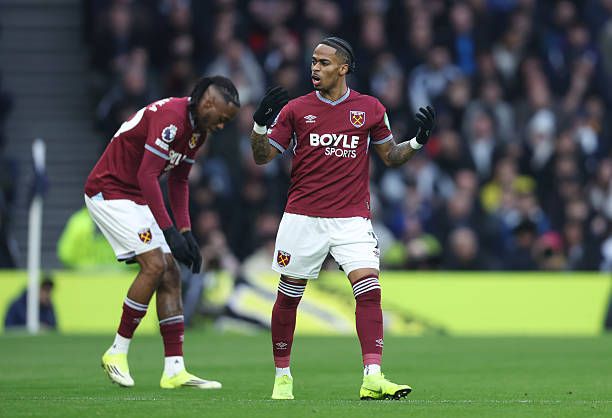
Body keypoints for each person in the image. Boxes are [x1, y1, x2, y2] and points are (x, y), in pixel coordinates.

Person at [249, 37, 436, 400]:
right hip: (303, 217)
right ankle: (283, 377)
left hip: (352, 218)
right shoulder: (295, 110)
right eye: (313, 62)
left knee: (370, 290)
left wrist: (416, 142)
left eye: (323, 62)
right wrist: (259, 126)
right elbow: (262, 158)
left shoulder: (369, 108)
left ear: (343, 67)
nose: (314, 68)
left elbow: (390, 156)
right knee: (289, 297)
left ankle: (373, 376)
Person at [84, 76, 240, 389]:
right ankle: (116, 352)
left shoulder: (198, 132)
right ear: (207, 104)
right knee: (155, 265)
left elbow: (180, 181)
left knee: (170, 274)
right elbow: (147, 174)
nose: (222, 126)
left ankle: (174, 370)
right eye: (221, 118)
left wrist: (186, 231)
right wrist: (170, 233)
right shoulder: (171, 118)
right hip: (109, 191)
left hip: (136, 197)